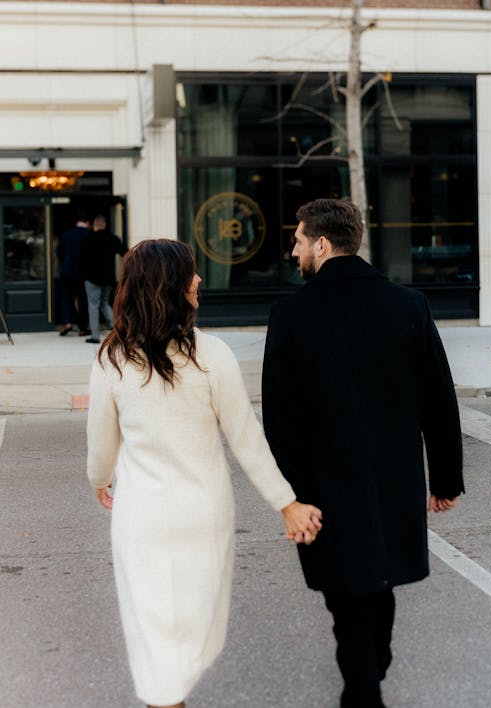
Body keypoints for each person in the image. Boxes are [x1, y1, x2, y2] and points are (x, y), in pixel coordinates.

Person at [86, 239, 322, 708]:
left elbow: (101, 453)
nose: (197, 281)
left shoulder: (111, 359)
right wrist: (286, 503)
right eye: (190, 274)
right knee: (194, 623)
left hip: (143, 517)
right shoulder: (212, 355)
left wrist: (100, 480)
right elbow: (247, 440)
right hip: (203, 515)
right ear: (171, 286)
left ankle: (165, 698)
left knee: (153, 626)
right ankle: (171, 695)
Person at [261, 198, 464, 708]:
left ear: (322, 244)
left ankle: (364, 686)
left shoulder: (291, 313)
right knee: (377, 578)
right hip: (393, 478)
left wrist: (291, 497)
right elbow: (438, 399)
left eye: (299, 240)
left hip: (322, 483)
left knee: (346, 590)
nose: (294, 250)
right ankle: (372, 669)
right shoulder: (408, 303)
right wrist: (444, 479)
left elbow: (280, 419)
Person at [79, 214, 127, 344]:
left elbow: (81, 260)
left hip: (91, 278)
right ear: (105, 225)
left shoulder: (87, 239)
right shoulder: (113, 239)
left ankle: (95, 336)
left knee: (93, 306)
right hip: (108, 277)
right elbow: (126, 253)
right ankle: (119, 330)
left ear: (94, 225)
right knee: (105, 303)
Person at [57, 213, 91, 336]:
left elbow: (59, 252)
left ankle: (67, 323)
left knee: (66, 297)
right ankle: (82, 327)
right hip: (82, 272)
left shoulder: (66, 234)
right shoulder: (89, 234)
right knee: (82, 299)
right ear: (87, 222)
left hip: (67, 270)